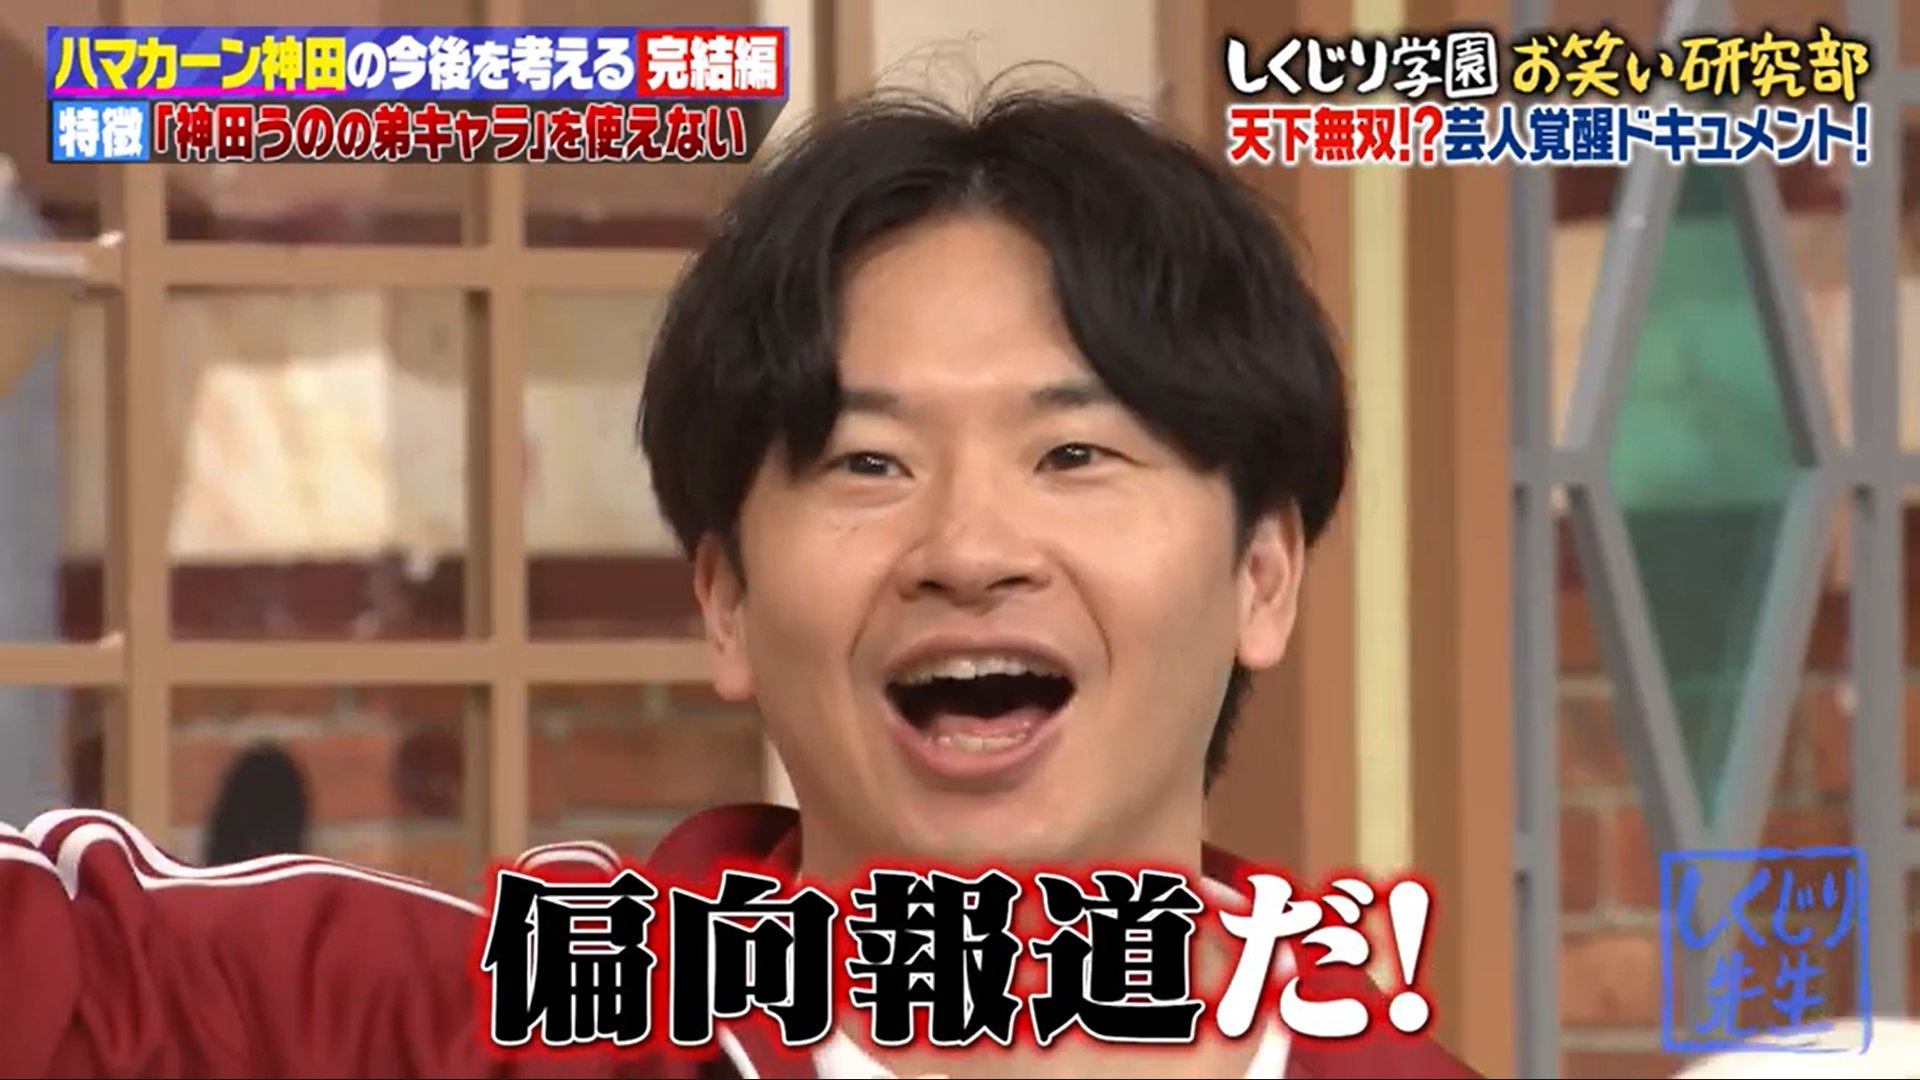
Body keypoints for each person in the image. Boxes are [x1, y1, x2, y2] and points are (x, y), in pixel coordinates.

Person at [0, 83, 1480, 1079]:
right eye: (867, 462)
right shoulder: (492, 1028)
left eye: (1074, 454)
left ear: (1263, 576)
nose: (969, 552)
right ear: (723, 602)